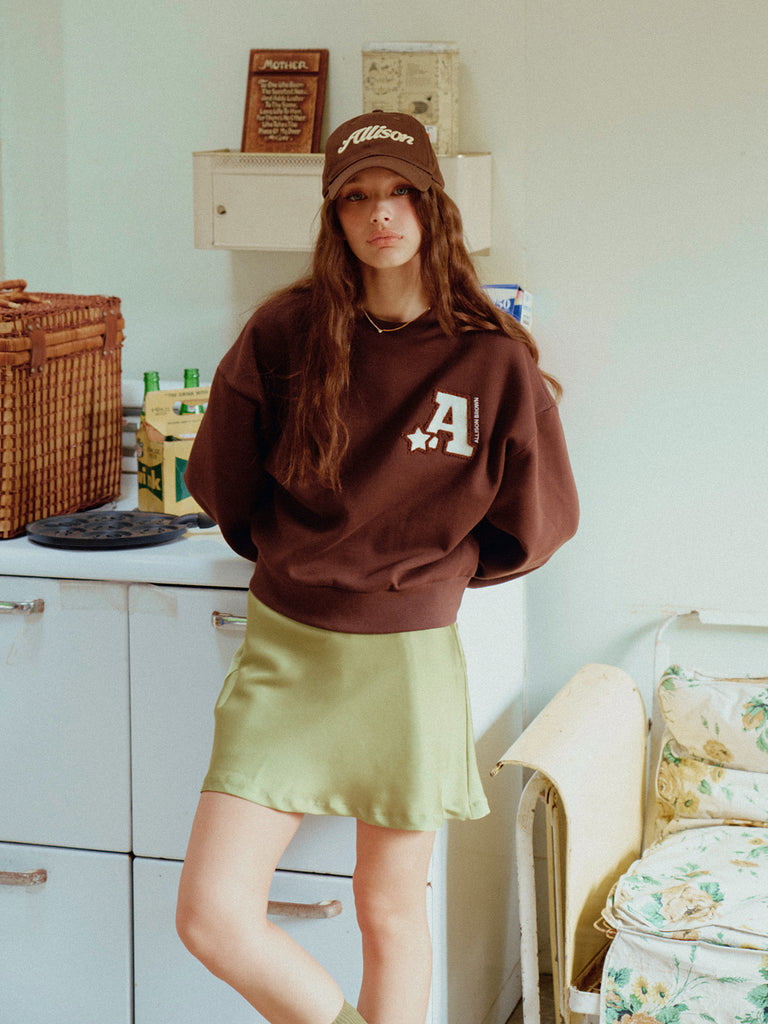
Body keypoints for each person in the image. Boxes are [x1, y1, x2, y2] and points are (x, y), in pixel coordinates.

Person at [175, 109, 579, 1024]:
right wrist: (301, 558)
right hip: (284, 654)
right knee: (211, 914)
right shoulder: (283, 334)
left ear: (434, 206)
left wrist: (431, 575)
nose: (380, 213)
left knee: (390, 914)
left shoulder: (492, 360)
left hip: (406, 663)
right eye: (356, 197)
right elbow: (221, 479)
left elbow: (541, 518)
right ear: (334, 218)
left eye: (400, 191)